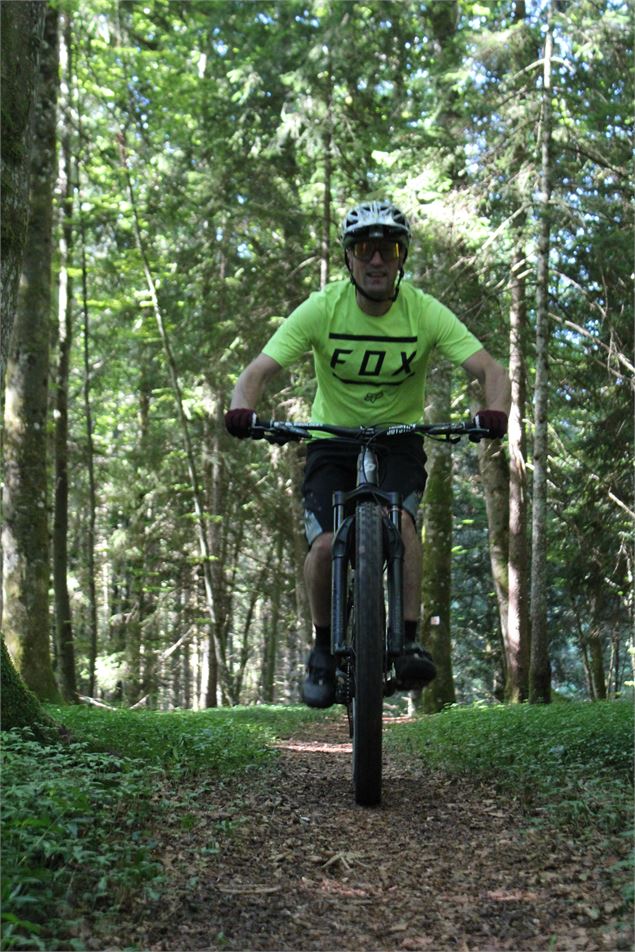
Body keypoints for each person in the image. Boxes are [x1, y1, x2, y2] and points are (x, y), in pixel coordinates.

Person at [225, 200, 511, 708]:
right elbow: (257, 371)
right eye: (364, 249)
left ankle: (406, 640)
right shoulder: (323, 309)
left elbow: (490, 369)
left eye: (389, 249)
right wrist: (242, 409)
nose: (376, 260)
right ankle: (321, 650)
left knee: (401, 523)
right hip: (330, 440)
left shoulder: (422, 311)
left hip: (398, 438)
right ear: (349, 259)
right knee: (322, 546)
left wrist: (495, 413)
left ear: (401, 258)